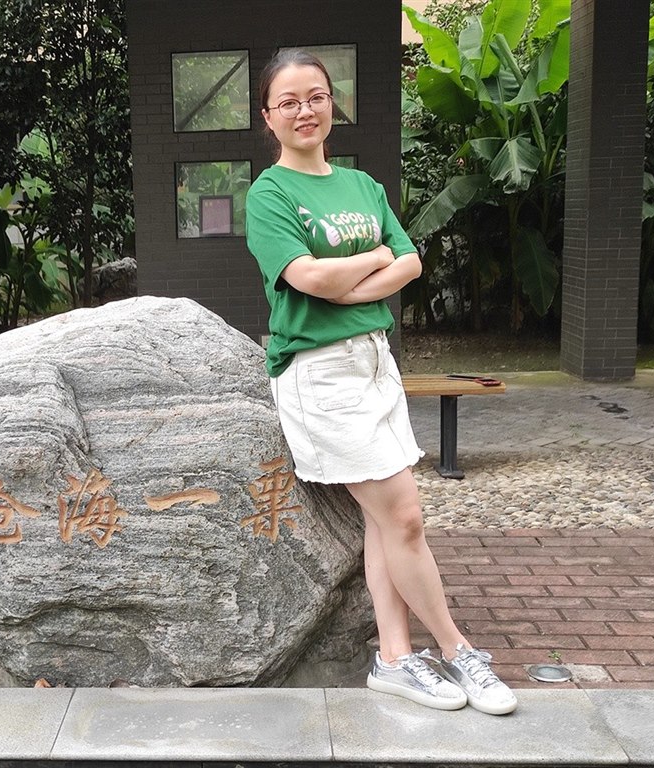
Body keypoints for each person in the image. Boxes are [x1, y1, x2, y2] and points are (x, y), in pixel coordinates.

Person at [245, 49, 517, 716]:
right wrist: (372, 260)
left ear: (331, 104)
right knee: (406, 517)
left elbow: (411, 262)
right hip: (320, 372)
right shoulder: (270, 194)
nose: (305, 111)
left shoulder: (363, 187)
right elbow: (307, 278)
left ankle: (393, 658)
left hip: (374, 360)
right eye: (289, 102)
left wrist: (348, 283)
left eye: (316, 97)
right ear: (268, 117)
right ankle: (458, 650)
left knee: (383, 521)